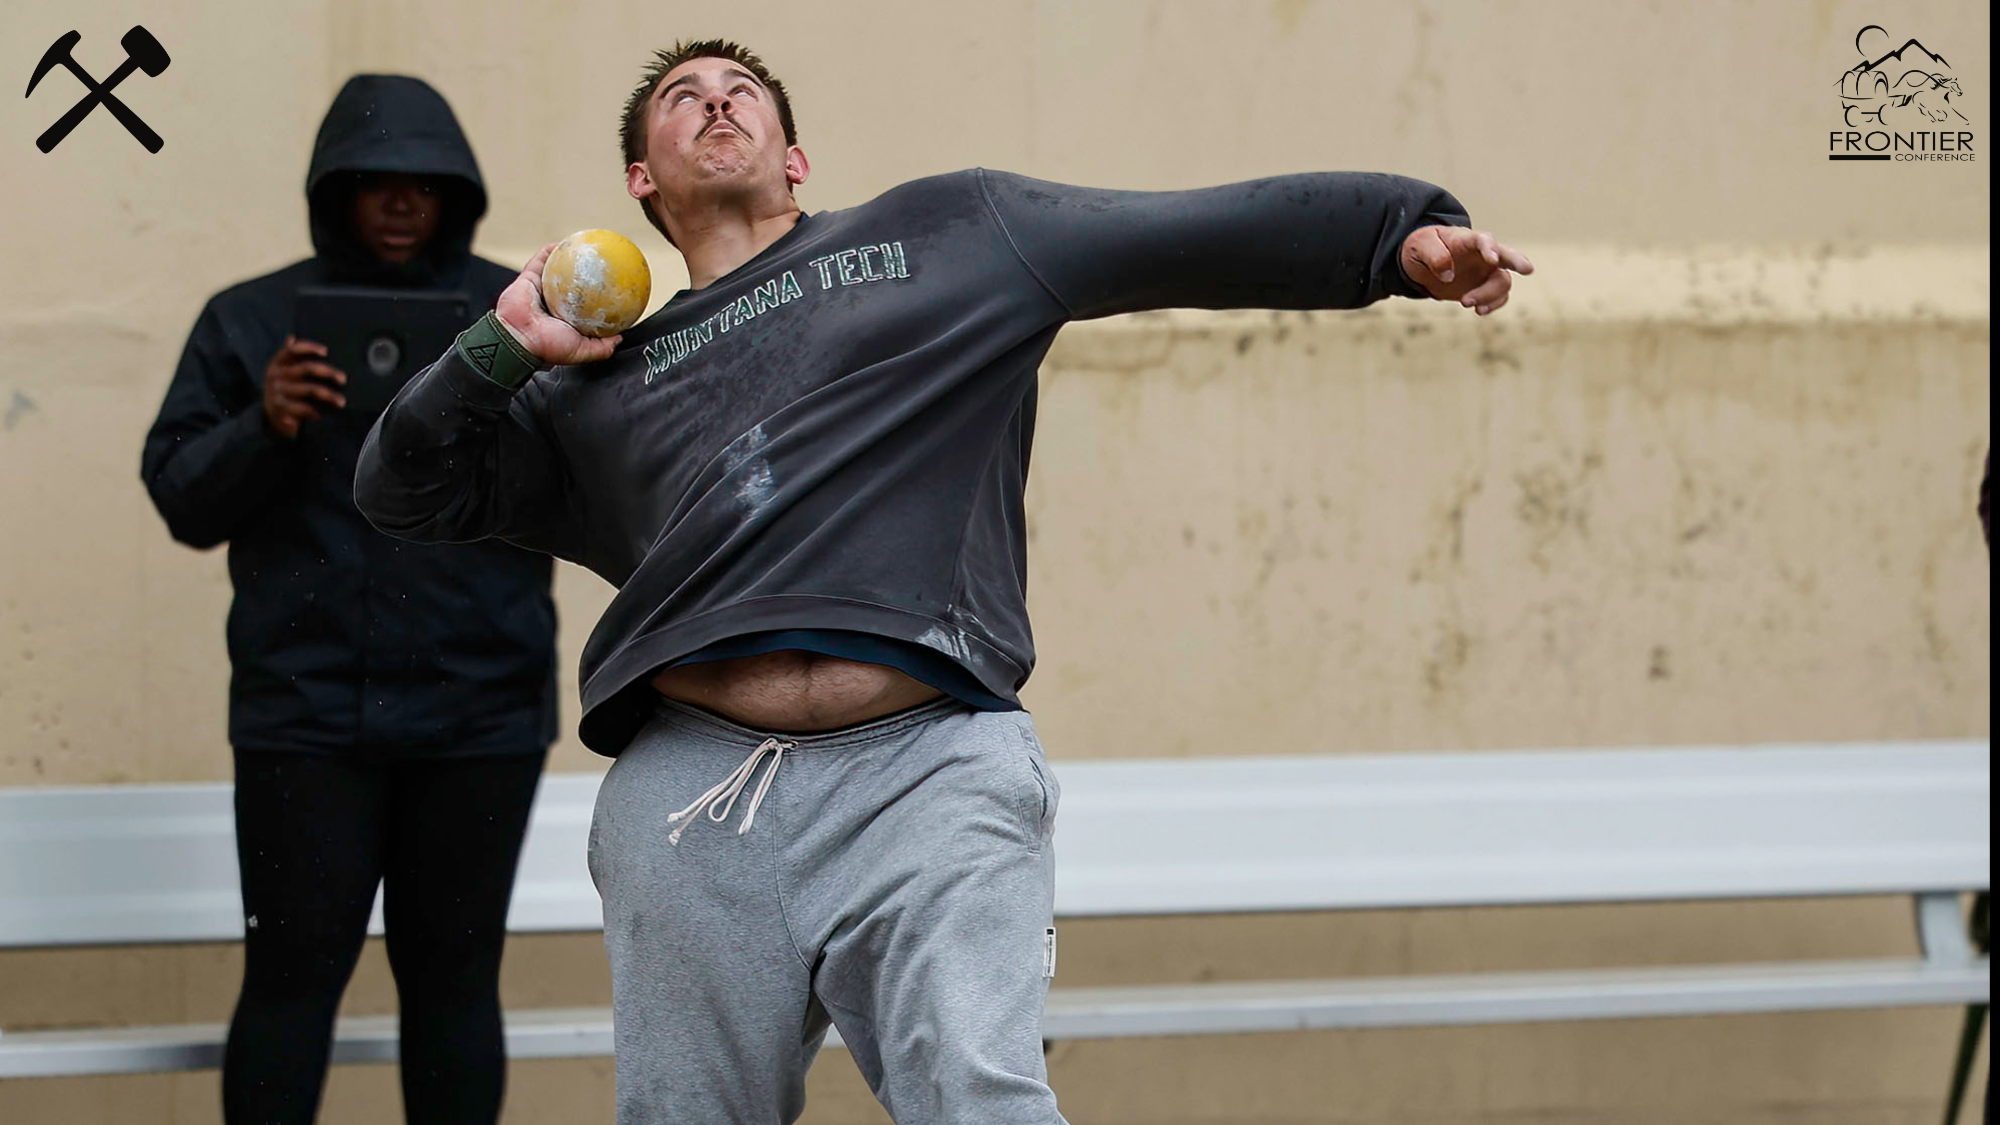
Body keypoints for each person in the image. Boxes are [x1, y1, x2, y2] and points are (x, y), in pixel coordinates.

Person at [354, 39, 1531, 1124]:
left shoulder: (954, 233)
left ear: (793, 156)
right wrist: (503, 347)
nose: (714, 102)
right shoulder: (597, 389)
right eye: (680, 99)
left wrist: (1400, 237)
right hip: (696, 801)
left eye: (741, 94)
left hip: (928, 770)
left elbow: (1184, 232)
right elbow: (399, 490)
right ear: (640, 182)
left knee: (982, 1103)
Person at [141, 75, 559, 1124]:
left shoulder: (522, 317)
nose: (401, 201)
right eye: (374, 182)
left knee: (454, 988)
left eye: (424, 183)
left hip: (479, 712)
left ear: (457, 190)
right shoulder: (250, 322)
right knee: (289, 982)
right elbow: (181, 499)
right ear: (333, 190)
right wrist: (264, 421)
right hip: (304, 717)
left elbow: (595, 485)